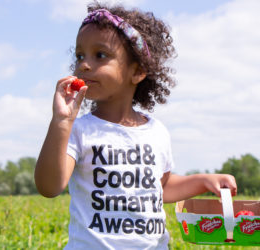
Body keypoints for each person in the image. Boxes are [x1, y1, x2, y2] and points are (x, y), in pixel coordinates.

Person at [34, 2, 237, 249]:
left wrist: (203, 181)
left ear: (138, 72)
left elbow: (159, 188)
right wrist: (61, 121)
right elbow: (49, 186)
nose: (84, 65)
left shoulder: (157, 132)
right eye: (79, 56)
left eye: (100, 55)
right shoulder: (80, 130)